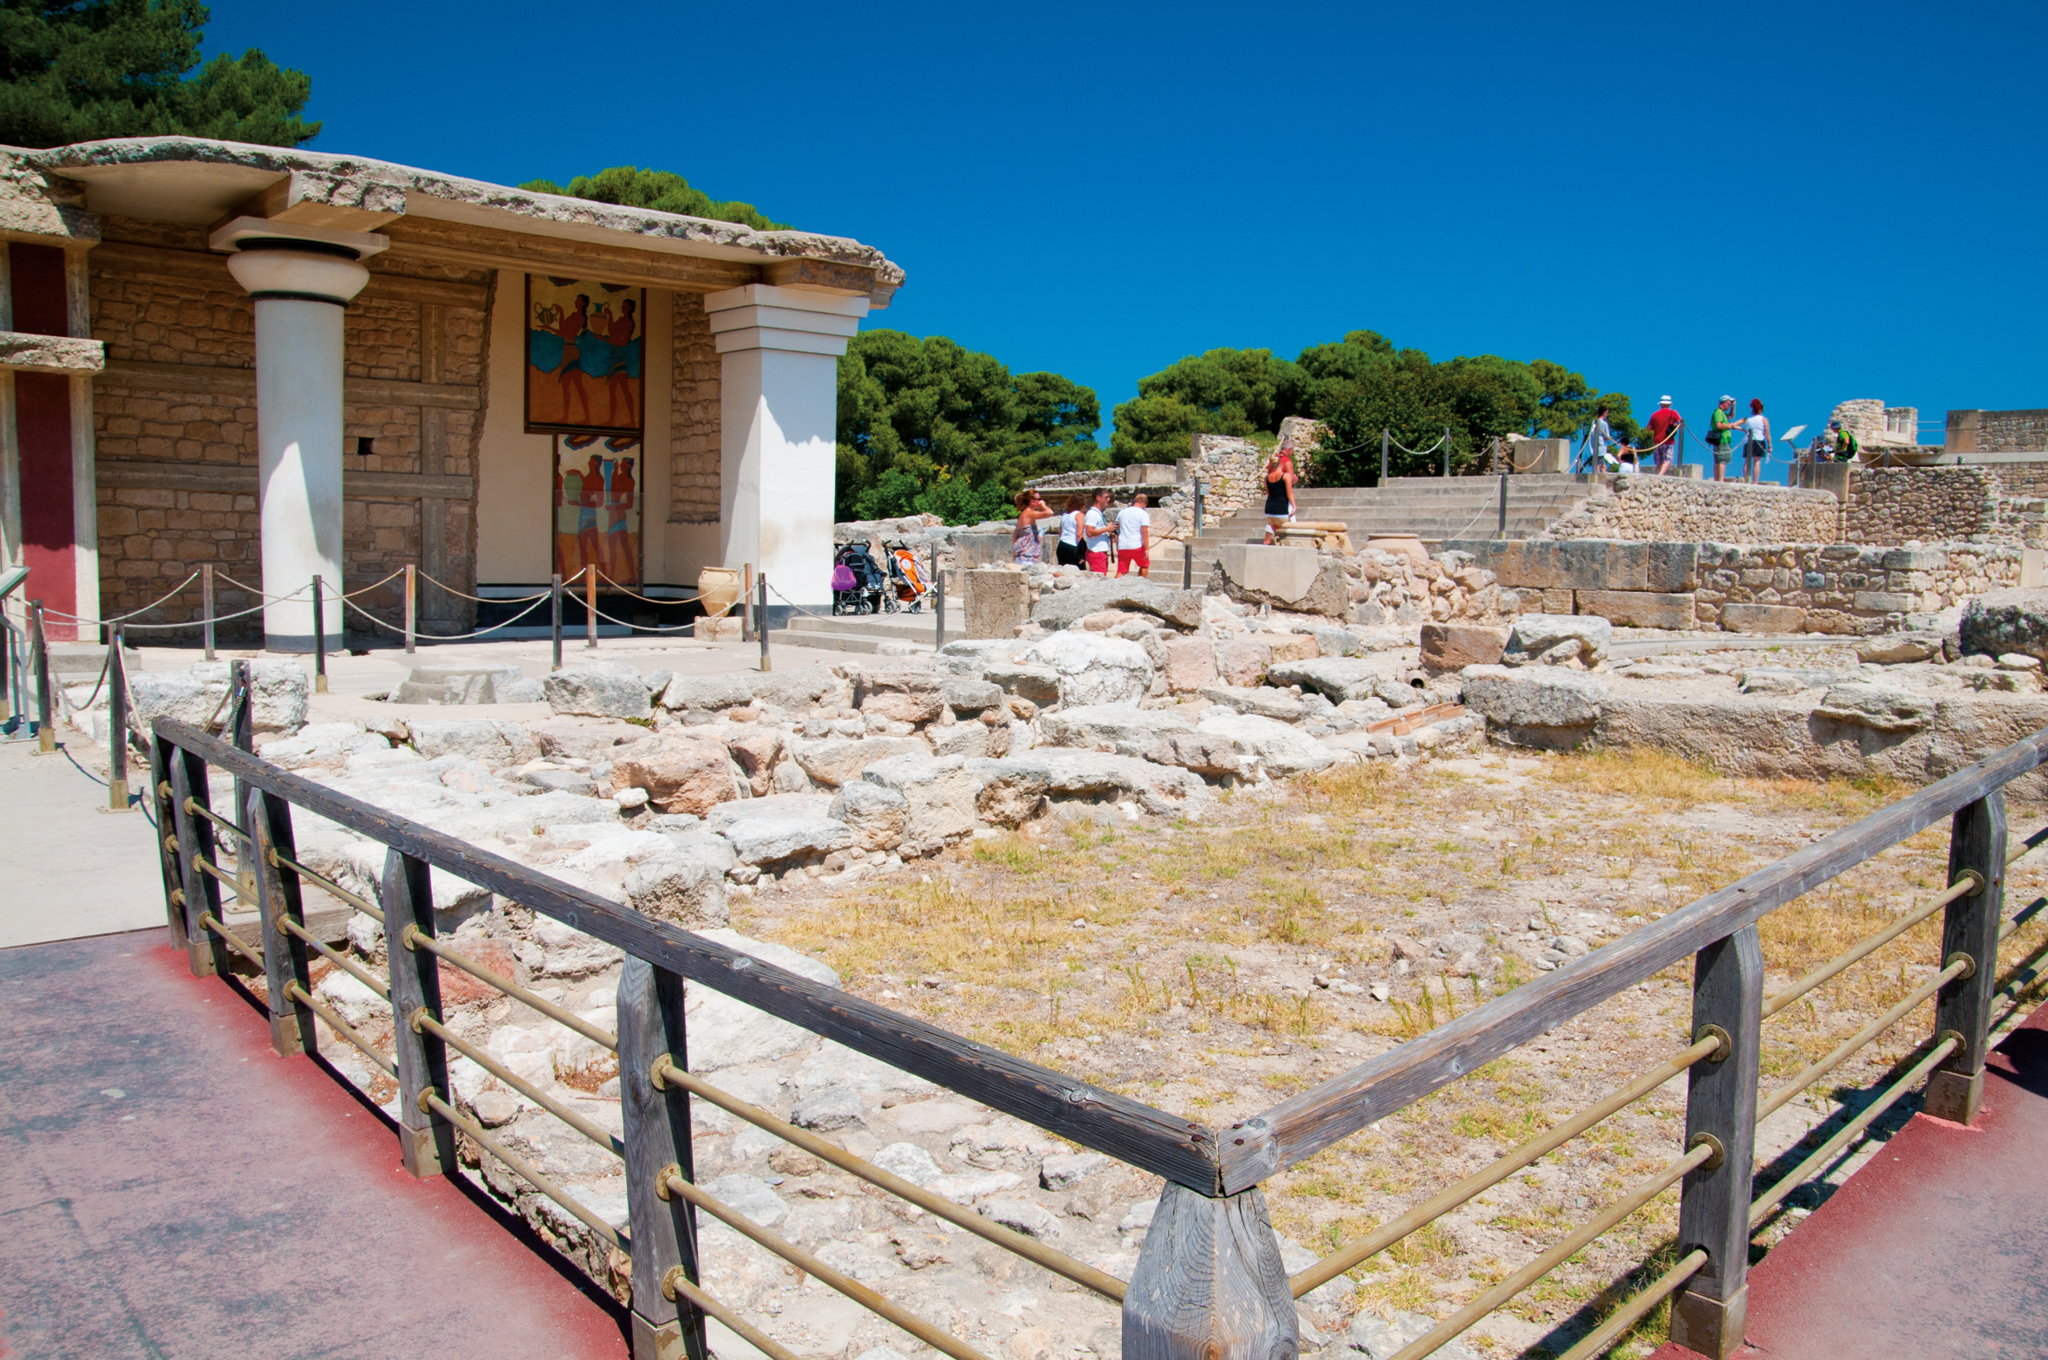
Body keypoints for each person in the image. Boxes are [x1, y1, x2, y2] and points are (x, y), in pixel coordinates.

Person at [1011, 488, 1059, 564]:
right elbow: (1050, 512)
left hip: (1021, 555)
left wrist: (1034, 538)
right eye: (1038, 499)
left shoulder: (1022, 514)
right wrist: (1043, 505)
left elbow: (1014, 538)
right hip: (1028, 556)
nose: (1040, 501)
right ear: (1031, 501)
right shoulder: (1029, 513)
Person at [1261, 444, 1296, 544]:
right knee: (1289, 532)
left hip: (1269, 508)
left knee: (1277, 534)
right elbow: (1289, 492)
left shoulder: (1267, 477)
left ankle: (1268, 543)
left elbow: (1267, 485)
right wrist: (1294, 506)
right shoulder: (1286, 473)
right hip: (1281, 507)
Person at [1115, 493, 1152, 577]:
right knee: (1144, 565)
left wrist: (1117, 545)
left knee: (1121, 571)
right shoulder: (1143, 514)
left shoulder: (1122, 512)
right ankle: (1141, 585)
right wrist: (1146, 548)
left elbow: (1116, 529)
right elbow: (1144, 532)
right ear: (1144, 503)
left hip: (1123, 545)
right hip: (1136, 546)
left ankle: (1113, 587)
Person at [1647, 396, 1682, 475]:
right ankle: (1660, 475)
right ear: (1669, 404)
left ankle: (1659, 474)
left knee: (1659, 460)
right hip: (1668, 440)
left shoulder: (1655, 414)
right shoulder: (1673, 413)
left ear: (1661, 404)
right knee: (1667, 460)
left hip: (1657, 441)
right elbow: (1680, 423)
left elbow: (1648, 428)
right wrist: (1674, 426)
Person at [1706, 396, 1738, 482]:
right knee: (1722, 460)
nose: (1729, 406)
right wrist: (1730, 426)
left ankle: (1718, 479)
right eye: (1728, 403)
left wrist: (1733, 406)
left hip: (1721, 439)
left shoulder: (1722, 413)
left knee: (1718, 460)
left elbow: (1731, 415)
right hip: (1722, 439)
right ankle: (1720, 480)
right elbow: (1719, 425)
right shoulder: (1719, 412)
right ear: (1723, 403)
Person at [1082, 489, 1114, 573]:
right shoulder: (1092, 514)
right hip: (1096, 552)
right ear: (1098, 498)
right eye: (1106, 497)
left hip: (1100, 552)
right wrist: (1107, 529)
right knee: (1099, 581)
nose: (1109, 499)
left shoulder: (1098, 513)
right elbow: (1089, 532)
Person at [1742, 399, 1772, 483]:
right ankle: (1755, 481)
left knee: (1747, 462)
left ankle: (1746, 480)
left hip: (1748, 441)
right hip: (1759, 440)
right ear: (1760, 409)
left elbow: (1734, 424)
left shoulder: (1747, 419)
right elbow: (1767, 433)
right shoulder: (1763, 419)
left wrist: (1743, 430)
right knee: (1757, 462)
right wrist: (1770, 445)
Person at [1581, 407, 1618, 472]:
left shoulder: (1594, 421)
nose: (1607, 414)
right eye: (1607, 412)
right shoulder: (1604, 423)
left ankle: (1603, 478)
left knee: (1602, 464)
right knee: (1599, 464)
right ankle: (1595, 478)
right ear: (1604, 412)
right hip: (1601, 446)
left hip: (1594, 445)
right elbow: (1607, 437)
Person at [1054, 493, 1086, 567]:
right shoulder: (1079, 515)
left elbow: (1060, 532)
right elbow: (1079, 534)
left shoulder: (1065, 514)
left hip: (1061, 545)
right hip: (1073, 546)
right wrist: (1082, 552)